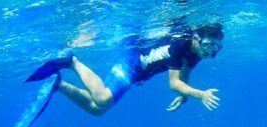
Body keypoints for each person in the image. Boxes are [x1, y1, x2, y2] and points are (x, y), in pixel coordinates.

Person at [25, 23, 224, 115]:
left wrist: (184, 95)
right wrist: (200, 94)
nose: (210, 50)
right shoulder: (181, 44)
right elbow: (174, 83)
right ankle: (71, 61)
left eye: (215, 46)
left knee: (97, 110)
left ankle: (58, 85)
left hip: (138, 72)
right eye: (207, 44)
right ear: (196, 38)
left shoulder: (197, 52)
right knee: (103, 99)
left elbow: (184, 71)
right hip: (132, 62)